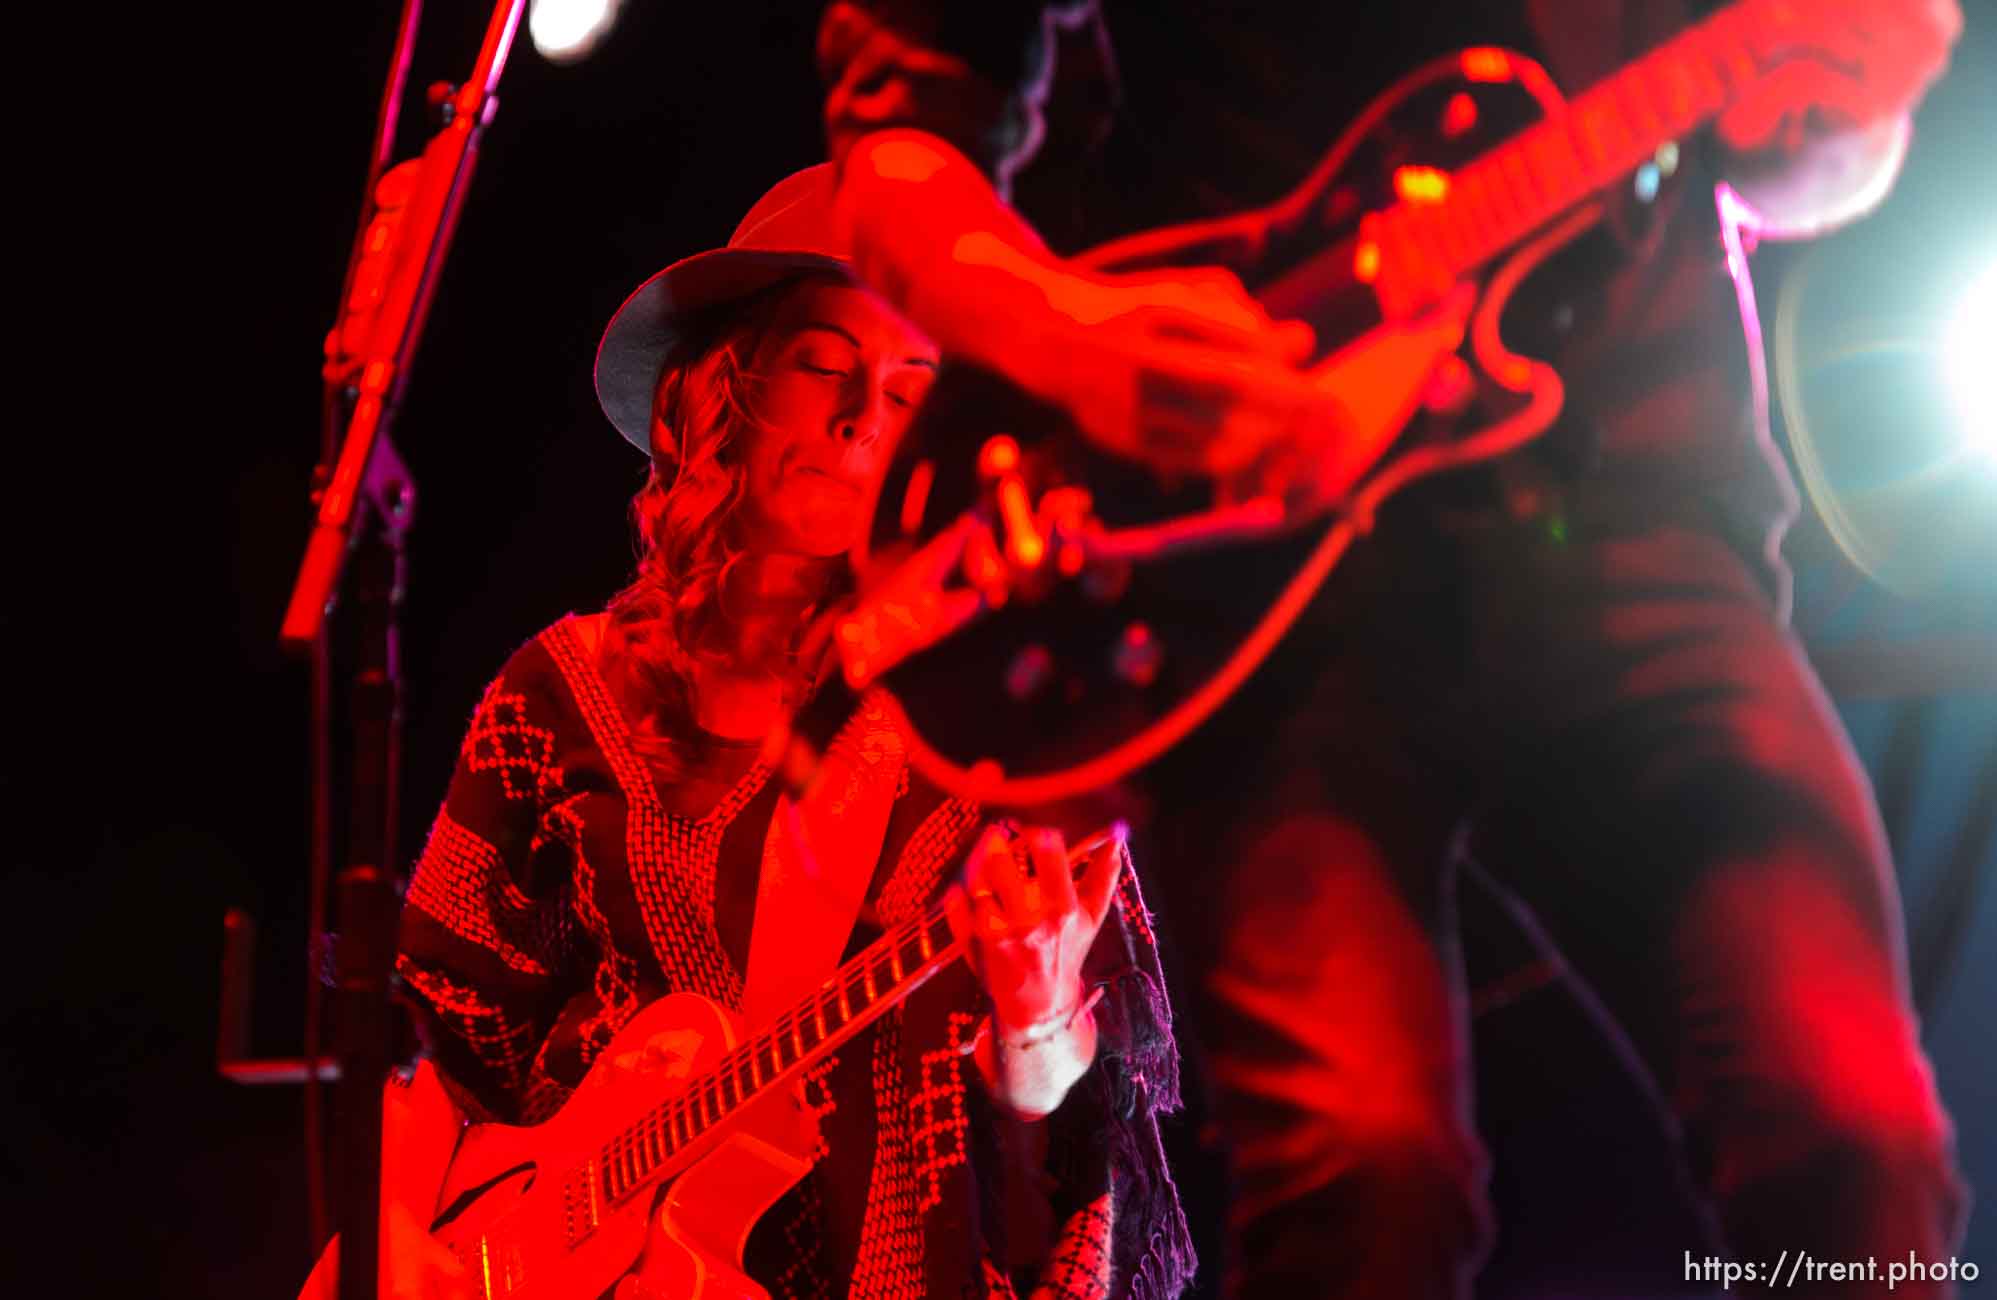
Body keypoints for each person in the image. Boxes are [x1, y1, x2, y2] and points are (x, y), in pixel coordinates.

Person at [807, 2, 1969, 1297]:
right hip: (1248, 572)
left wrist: (1828, 115)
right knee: (1361, 1182)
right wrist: (1063, 336)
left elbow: (1788, 158)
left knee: (1852, 1137)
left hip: (1630, 495)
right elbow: (894, 155)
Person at [367, 166, 1197, 1300]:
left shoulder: (997, 731)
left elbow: (1071, 1132)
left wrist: (1040, 1012)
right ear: (721, 390)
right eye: (822, 365)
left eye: (911, 392)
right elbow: (427, 1034)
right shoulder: (561, 692)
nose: (861, 414)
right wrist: (389, 1244)